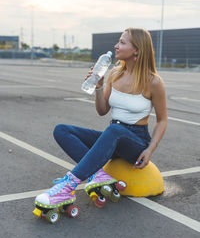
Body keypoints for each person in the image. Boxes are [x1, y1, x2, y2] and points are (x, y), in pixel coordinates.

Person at [35, 27, 168, 209]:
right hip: (113, 135)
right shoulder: (114, 74)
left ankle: (68, 186)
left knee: (114, 131)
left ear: (136, 49)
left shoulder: (153, 81)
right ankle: (98, 176)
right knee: (62, 130)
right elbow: (102, 110)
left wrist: (150, 149)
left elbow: (162, 120)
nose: (116, 46)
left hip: (135, 142)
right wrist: (98, 86)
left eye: (122, 42)